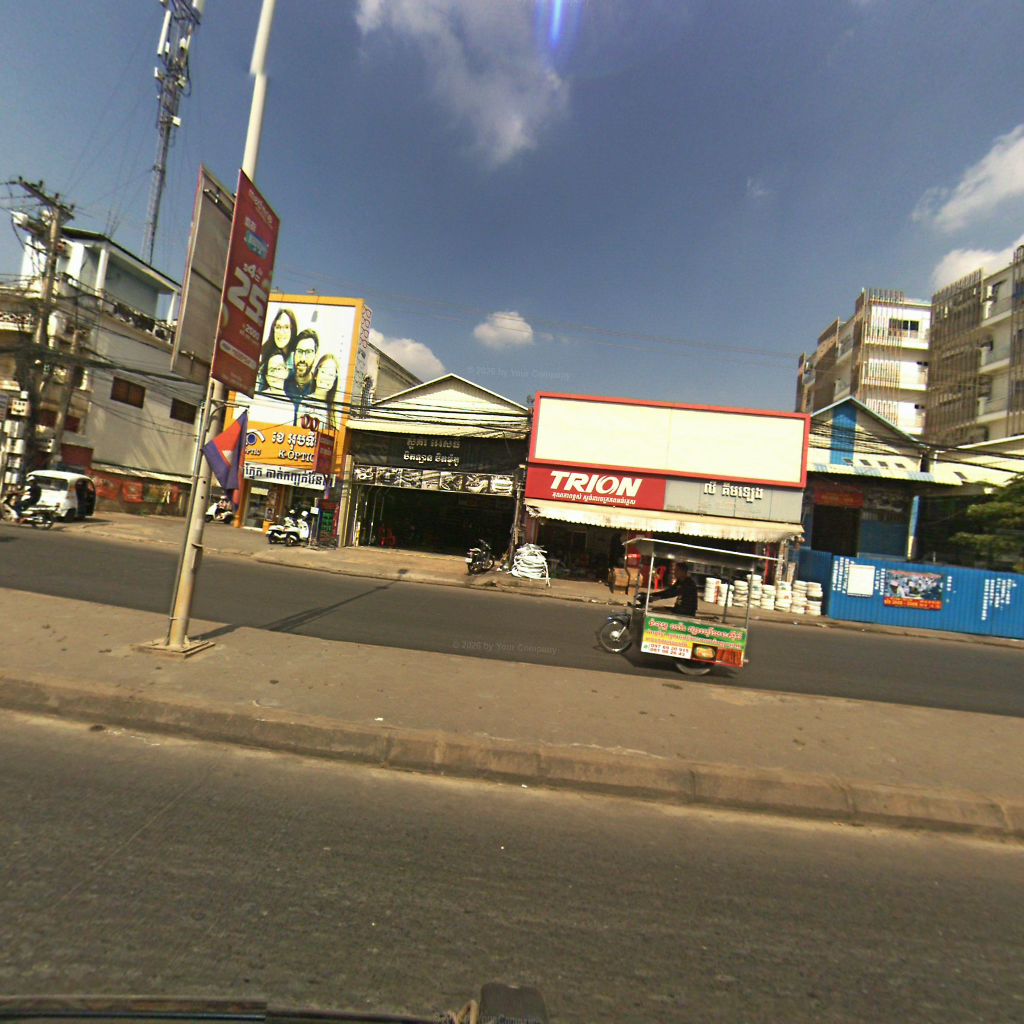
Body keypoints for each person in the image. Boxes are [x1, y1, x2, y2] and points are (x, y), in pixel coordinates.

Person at [257, 308, 297, 392]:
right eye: (278, 327)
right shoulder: (262, 353)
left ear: (292, 330)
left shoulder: (296, 360)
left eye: (286, 327)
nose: (281, 332)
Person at [285, 329, 319, 423]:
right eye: (299, 351)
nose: (303, 359)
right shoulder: (282, 383)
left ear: (315, 355)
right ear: (294, 354)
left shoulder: (319, 388)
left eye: (308, 352)